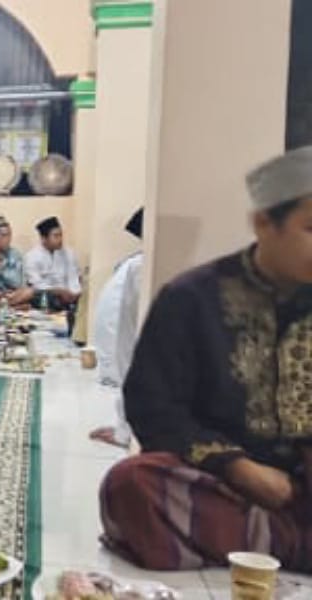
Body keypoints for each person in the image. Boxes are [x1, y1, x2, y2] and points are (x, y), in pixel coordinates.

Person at [100, 147, 312, 573]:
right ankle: (286, 544)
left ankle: (268, 543)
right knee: (131, 486)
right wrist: (240, 468)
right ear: (264, 223)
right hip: (223, 484)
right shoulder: (191, 298)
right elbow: (152, 407)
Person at [88, 209, 145, 449]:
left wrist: (123, 431)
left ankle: (127, 430)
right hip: (119, 364)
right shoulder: (138, 265)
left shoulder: (138, 266)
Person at [24, 216, 82, 333]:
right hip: (47, 298)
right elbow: (36, 284)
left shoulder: (69, 253)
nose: (60, 239)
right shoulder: (31, 256)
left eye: (61, 235)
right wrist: (59, 291)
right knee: (37, 294)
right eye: (56, 236)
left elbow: (73, 277)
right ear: (44, 238)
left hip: (69, 299)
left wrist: (74, 293)